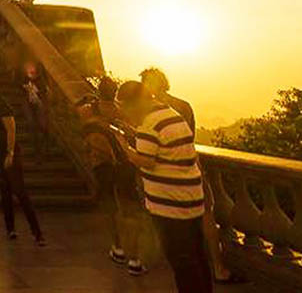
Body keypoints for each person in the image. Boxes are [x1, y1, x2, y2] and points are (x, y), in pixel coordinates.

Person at [141, 68, 246, 285]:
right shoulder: (181, 106)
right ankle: (215, 268)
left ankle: (213, 267)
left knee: (197, 224)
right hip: (189, 173)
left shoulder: (161, 111)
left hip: (173, 179)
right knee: (199, 223)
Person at [117, 80, 211, 293]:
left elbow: (146, 160)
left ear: (135, 103)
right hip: (191, 199)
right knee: (197, 257)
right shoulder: (169, 113)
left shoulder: (149, 124)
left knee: (182, 262)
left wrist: (124, 148)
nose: (125, 113)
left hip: (170, 205)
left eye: (124, 107)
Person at [78, 78, 144, 275]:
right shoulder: (121, 112)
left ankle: (118, 247)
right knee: (129, 209)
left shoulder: (88, 110)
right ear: (115, 92)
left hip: (101, 164)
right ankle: (135, 259)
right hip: (124, 164)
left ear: (99, 90)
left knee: (110, 207)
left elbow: (84, 128)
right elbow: (134, 135)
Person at [0, 77, 45, 245]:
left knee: (20, 192)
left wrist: (10, 153)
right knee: (5, 192)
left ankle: (37, 232)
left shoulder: (3, 106)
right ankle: (10, 228)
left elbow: (11, 129)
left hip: (7, 153)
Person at [19, 62, 50, 160]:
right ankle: (37, 151)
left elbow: (44, 93)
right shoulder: (24, 80)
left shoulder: (41, 81)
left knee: (42, 126)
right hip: (29, 105)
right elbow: (20, 88)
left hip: (39, 105)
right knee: (32, 125)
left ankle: (43, 148)